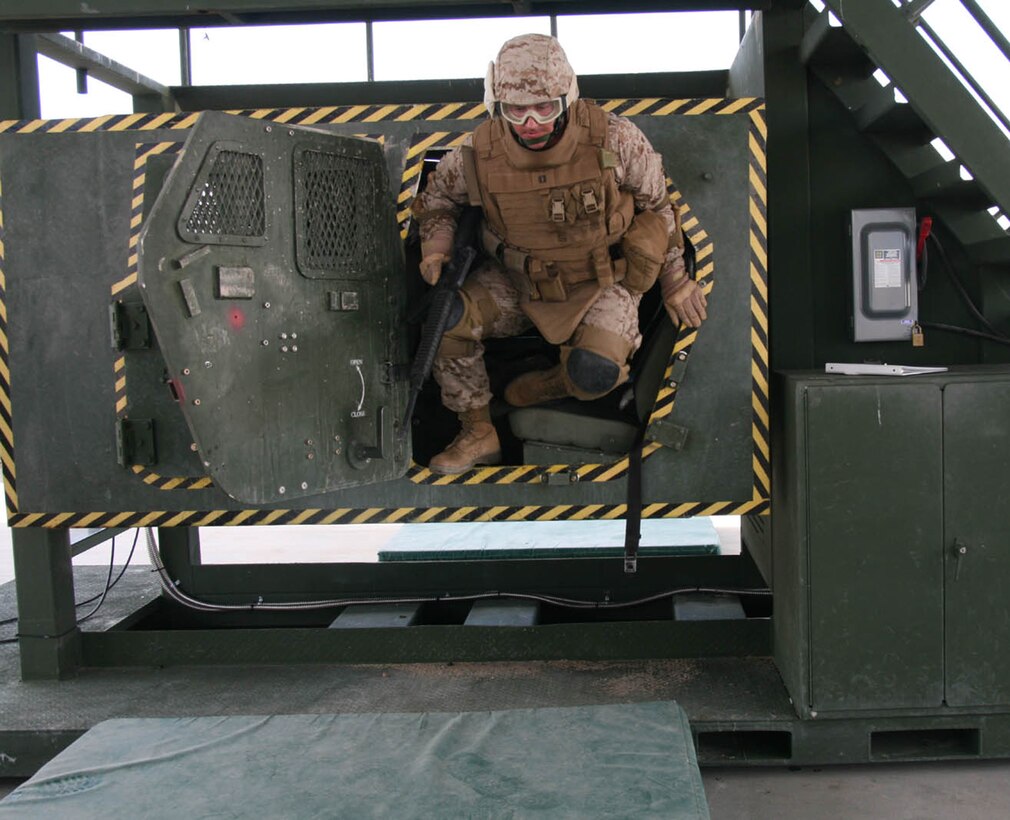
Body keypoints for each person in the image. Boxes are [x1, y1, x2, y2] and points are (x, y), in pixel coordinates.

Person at [411, 33, 707, 475]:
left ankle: (551, 384)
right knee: (448, 318)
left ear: (566, 98)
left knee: (596, 374)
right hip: (517, 283)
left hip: (600, 282)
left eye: (544, 108)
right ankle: (477, 430)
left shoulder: (616, 140)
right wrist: (436, 247)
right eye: (516, 110)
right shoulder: (478, 152)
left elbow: (658, 209)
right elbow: (438, 200)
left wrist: (675, 280)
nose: (530, 122)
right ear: (497, 104)